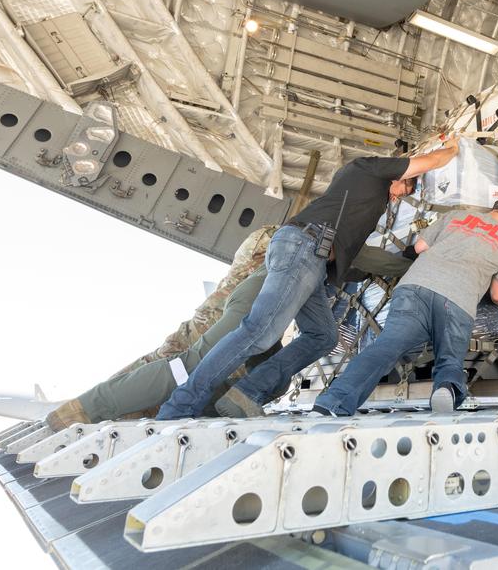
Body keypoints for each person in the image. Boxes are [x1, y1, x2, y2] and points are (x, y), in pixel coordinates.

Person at [157, 141, 459, 419]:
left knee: (322, 336)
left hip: (313, 261)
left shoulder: (363, 202)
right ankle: (180, 406)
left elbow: (357, 258)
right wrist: (454, 149)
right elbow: (430, 161)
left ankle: (246, 394)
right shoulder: (367, 169)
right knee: (258, 331)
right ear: (398, 174)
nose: (398, 197)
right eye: (404, 188)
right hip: (303, 247)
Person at [43, 225, 276, 429]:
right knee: (176, 373)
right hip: (211, 329)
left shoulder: (271, 248)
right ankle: (80, 415)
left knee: (167, 372)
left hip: (208, 326)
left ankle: (82, 414)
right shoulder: (274, 252)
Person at [313, 198, 498, 416]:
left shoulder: (456, 215)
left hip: (414, 287)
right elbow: (497, 294)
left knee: (385, 348)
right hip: (457, 297)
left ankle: (332, 401)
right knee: (449, 358)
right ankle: (446, 388)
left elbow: (419, 247)